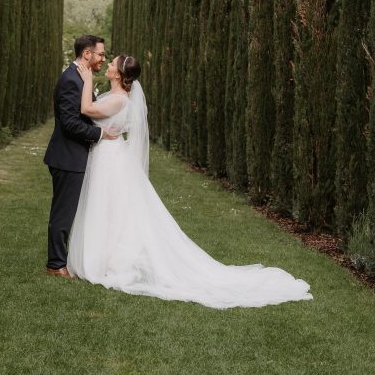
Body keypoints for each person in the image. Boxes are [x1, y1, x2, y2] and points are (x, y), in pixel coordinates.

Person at [66, 54, 313, 308]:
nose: (107, 65)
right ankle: (103, 255)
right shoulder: (116, 96)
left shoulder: (119, 99)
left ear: (118, 74)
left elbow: (87, 109)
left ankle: (109, 260)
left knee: (111, 208)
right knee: (109, 207)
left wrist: (86, 79)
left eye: (111, 64)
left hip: (112, 159)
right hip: (109, 155)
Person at [43, 35, 118, 277]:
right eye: (100, 54)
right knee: (63, 214)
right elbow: (70, 124)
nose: (103, 59)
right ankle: (55, 265)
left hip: (75, 156)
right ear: (87, 54)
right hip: (67, 157)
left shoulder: (81, 78)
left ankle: (65, 260)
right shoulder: (71, 80)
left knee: (69, 212)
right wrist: (100, 134)